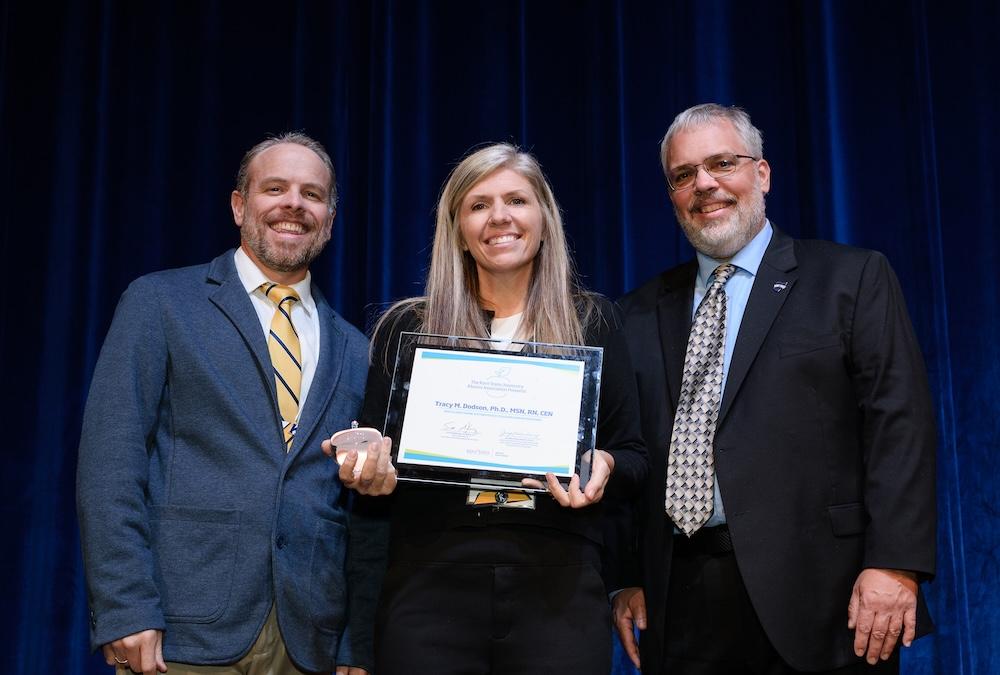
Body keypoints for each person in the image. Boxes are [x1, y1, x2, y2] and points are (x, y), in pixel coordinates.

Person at [611, 104, 936, 674]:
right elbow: (629, 450)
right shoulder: (635, 313)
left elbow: (900, 426)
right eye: (684, 175)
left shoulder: (851, 278)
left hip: (825, 599)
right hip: (680, 605)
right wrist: (627, 576)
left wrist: (894, 563)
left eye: (722, 163)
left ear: (761, 174)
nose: (704, 184)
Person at [340, 143, 647, 674]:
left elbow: (635, 456)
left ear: (544, 221)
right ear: (458, 230)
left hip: (560, 585)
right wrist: (366, 470)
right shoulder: (408, 329)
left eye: (517, 201)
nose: (499, 217)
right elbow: (374, 477)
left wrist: (606, 467)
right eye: (479, 205)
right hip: (430, 585)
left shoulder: (592, 322)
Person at [76, 132, 371, 675]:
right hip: (180, 630)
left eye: (312, 194)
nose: (293, 204)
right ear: (239, 206)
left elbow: (361, 513)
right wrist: (124, 605)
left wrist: (355, 642)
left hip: (310, 640)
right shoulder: (160, 302)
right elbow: (110, 463)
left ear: (329, 219)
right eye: (275, 188)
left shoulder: (356, 348)